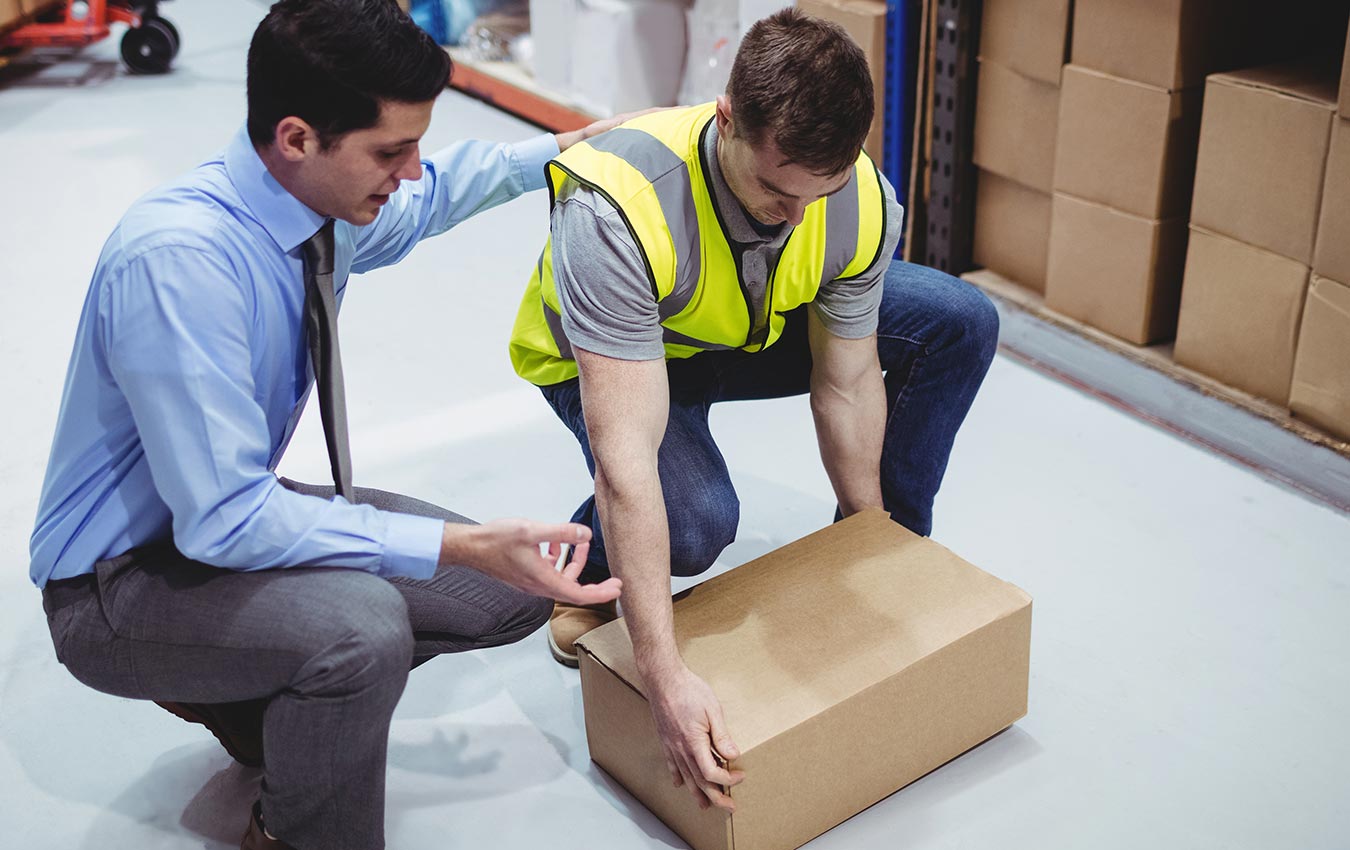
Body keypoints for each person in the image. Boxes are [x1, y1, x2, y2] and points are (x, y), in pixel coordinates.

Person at [29, 1, 628, 848]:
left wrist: (564, 154)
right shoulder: (181, 265)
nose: (411, 171)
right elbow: (229, 520)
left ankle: (257, 697)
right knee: (364, 630)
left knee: (503, 594)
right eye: (391, 151)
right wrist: (458, 543)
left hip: (210, 520)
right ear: (298, 137)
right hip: (120, 583)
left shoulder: (317, 208)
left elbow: (438, 193)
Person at [508, 8, 1000, 813]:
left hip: (743, 322)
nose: (797, 215)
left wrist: (863, 548)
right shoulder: (619, 204)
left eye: (822, 191)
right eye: (776, 188)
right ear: (726, 119)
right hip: (615, 355)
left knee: (958, 322)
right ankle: (589, 573)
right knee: (693, 521)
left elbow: (847, 381)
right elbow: (626, 456)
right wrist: (661, 676)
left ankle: (892, 552)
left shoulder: (856, 199)